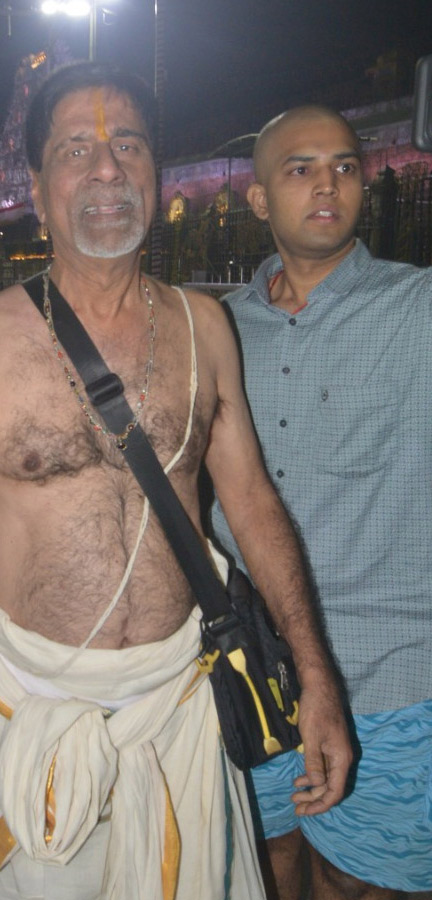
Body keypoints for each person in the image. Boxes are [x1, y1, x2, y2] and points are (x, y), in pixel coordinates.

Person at [0, 62, 351, 900]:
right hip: (22, 711)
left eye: (128, 145)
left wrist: (317, 676)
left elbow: (252, 503)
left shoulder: (204, 328)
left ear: (155, 173)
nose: (107, 169)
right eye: (75, 151)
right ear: (37, 189)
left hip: (178, 709)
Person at [210, 105, 432, 900]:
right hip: (249, 674)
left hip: (388, 676)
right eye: (300, 168)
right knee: (261, 866)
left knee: (357, 882)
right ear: (258, 199)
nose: (328, 183)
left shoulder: (418, 308)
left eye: (345, 166)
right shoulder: (217, 331)